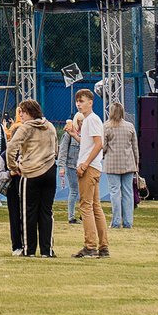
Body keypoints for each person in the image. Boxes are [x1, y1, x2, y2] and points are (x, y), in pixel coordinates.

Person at [6, 98, 58, 258]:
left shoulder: (25, 128)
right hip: (49, 171)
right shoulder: (49, 126)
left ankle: (29, 250)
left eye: (22, 111)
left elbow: (11, 148)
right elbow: (56, 147)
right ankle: (46, 250)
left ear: (29, 112)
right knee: (46, 212)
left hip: (30, 173)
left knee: (29, 212)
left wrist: (14, 167)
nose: (20, 115)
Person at [68, 89, 108, 258]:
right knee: (95, 207)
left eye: (82, 101)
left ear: (90, 102)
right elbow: (89, 143)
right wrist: (74, 135)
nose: (79, 104)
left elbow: (99, 144)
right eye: (77, 101)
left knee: (86, 206)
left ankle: (90, 246)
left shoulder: (91, 120)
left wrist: (85, 164)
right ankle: (103, 247)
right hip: (94, 166)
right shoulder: (90, 120)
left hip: (89, 167)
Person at [100, 101, 140, 233]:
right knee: (128, 193)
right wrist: (137, 163)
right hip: (128, 163)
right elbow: (135, 147)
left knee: (115, 193)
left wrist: (104, 154)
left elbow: (103, 147)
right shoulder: (129, 126)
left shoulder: (106, 127)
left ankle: (116, 222)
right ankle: (128, 222)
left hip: (112, 164)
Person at [4, 105, 28, 255]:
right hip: (14, 187)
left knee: (28, 215)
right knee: (15, 216)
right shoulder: (4, 155)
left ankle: (28, 245)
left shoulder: (29, 151)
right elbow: (0, 174)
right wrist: (11, 172)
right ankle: (17, 245)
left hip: (27, 184)